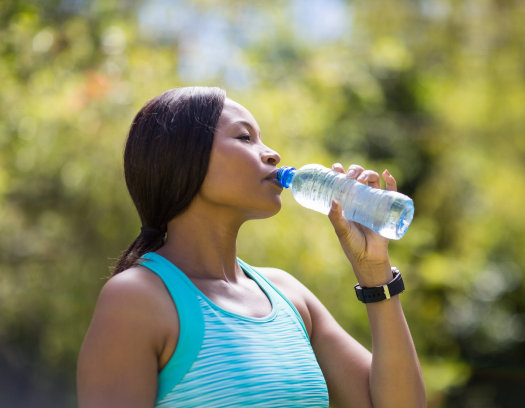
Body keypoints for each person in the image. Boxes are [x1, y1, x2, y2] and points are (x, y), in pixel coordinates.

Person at [77, 86, 426, 408]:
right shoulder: (137, 299)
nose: (272, 154)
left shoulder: (288, 296)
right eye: (245, 137)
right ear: (183, 157)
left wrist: (375, 272)